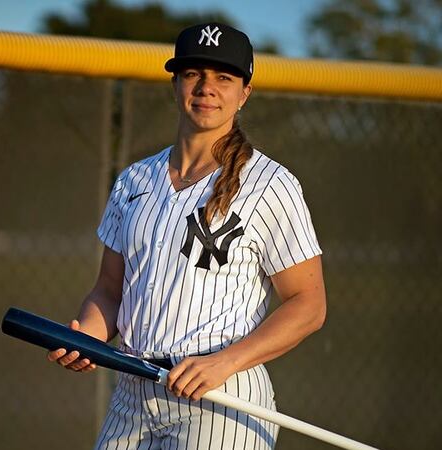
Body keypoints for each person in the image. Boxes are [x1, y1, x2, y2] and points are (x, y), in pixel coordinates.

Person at [48, 23, 326, 449]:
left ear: (244, 93)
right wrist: (87, 335)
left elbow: (308, 305)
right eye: (194, 73)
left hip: (220, 398)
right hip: (132, 392)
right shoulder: (134, 180)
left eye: (223, 77)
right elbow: (108, 289)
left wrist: (225, 362)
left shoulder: (270, 184)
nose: (206, 87)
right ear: (175, 83)